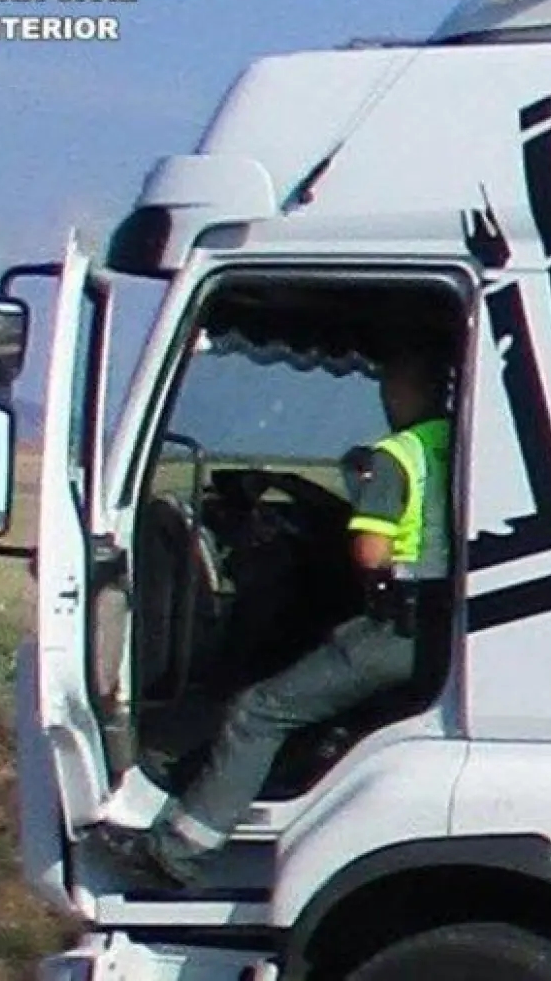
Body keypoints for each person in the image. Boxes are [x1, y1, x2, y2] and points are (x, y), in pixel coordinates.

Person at [92, 348, 454, 890]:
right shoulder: (459, 442)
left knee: (257, 712)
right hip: (445, 626)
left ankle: (177, 852)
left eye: (389, 385)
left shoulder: (396, 456)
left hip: (395, 629)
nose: (386, 397)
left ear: (403, 390)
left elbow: (371, 554)